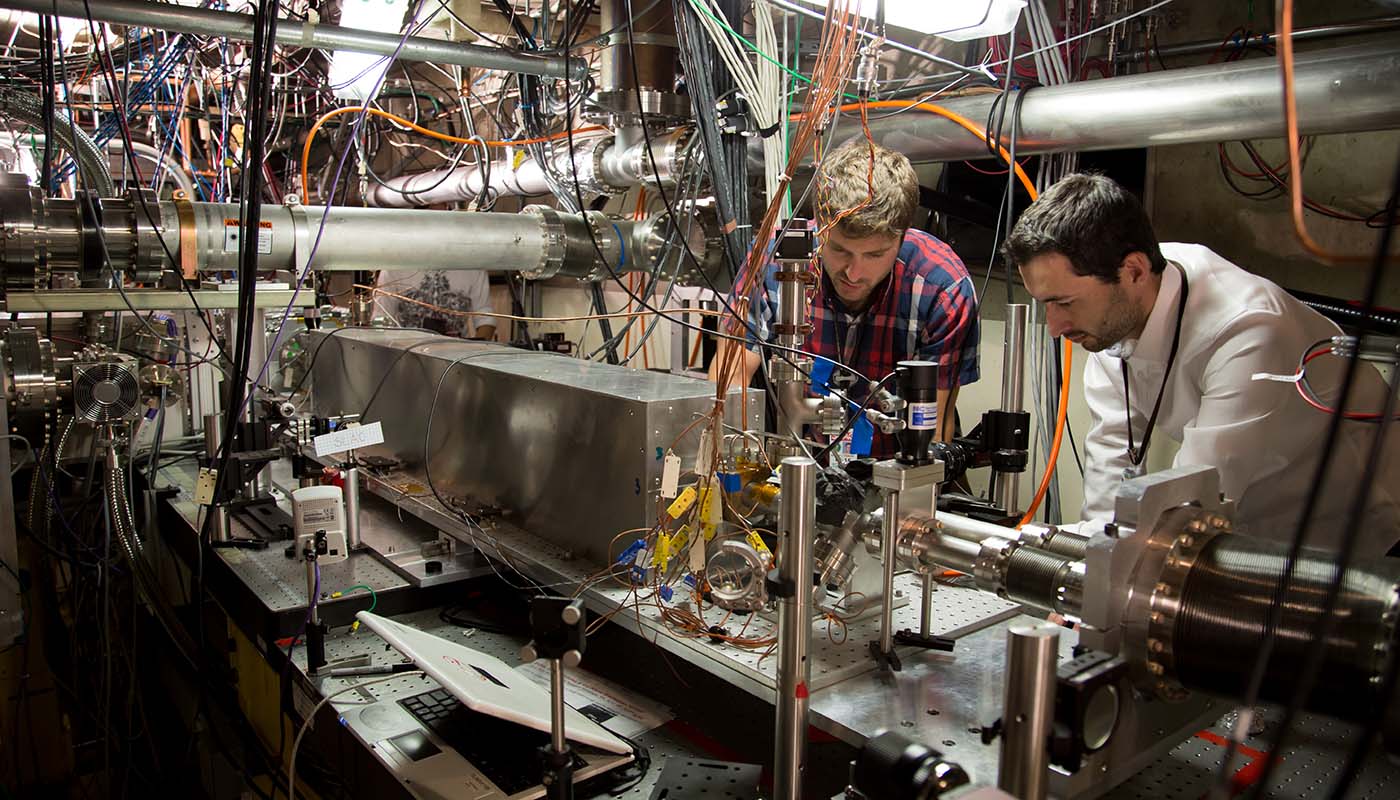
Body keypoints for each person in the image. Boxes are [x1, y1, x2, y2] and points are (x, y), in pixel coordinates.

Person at [1004, 173, 1400, 554]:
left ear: (1134, 271)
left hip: (1352, 525)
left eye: (1065, 303)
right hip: (1256, 517)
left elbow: (1191, 500)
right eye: (1046, 304)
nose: (1054, 327)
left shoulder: (1248, 331)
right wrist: (1084, 570)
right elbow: (1111, 457)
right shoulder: (1116, 311)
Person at [710, 141, 980, 457]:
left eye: (875, 254)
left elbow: (934, 429)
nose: (853, 272)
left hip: (893, 471)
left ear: (903, 236)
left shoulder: (942, 290)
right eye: (839, 250)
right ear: (819, 226)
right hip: (798, 463)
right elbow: (730, 382)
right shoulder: (775, 262)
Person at [375, 269, 497, 341]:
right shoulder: (395, 264)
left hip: (455, 363)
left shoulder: (473, 266)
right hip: (405, 361)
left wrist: (473, 358)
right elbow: (379, 319)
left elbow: (485, 319)